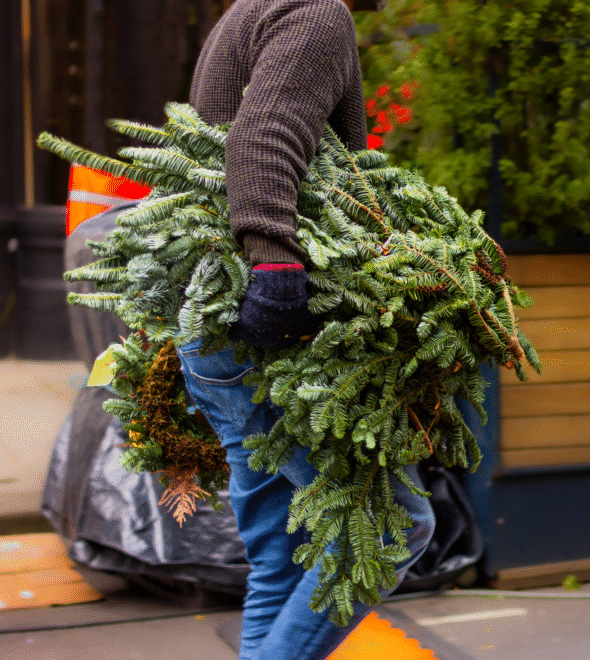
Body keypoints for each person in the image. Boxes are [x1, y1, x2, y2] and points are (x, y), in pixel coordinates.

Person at [176, 1, 436, 659]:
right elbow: (261, 135)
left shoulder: (251, 10)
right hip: (266, 332)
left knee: (282, 561)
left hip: (212, 326)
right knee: (393, 527)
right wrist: (276, 265)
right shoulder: (317, 11)